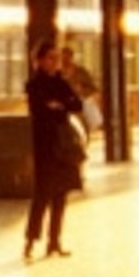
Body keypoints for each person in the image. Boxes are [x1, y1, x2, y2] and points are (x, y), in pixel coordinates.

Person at [23, 34, 85, 260]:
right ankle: (31, 240)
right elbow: (41, 111)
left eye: (56, 59)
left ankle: (54, 241)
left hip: (63, 148)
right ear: (38, 60)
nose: (54, 63)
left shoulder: (61, 83)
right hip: (45, 147)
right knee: (41, 196)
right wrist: (60, 107)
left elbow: (76, 104)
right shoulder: (34, 85)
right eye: (50, 58)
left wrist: (58, 106)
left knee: (61, 195)